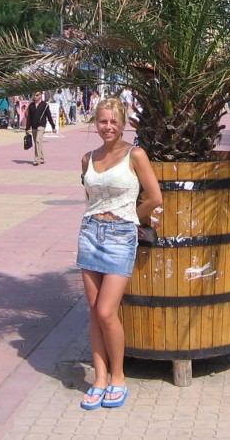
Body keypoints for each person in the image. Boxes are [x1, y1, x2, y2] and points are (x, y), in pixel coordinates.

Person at [78, 98, 162, 410]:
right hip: (89, 234)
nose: (108, 127)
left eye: (113, 121)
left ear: (123, 122)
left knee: (105, 311)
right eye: (102, 122)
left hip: (120, 236)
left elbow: (155, 197)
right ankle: (99, 379)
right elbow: (89, 198)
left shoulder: (135, 154)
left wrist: (128, 215)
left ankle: (118, 376)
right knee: (92, 309)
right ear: (95, 123)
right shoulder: (87, 158)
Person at [25, 92, 56, 166]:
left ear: (40, 96)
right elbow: (29, 118)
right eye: (34, 95)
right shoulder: (31, 105)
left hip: (41, 126)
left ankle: (36, 159)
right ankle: (42, 158)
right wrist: (27, 128)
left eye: (37, 95)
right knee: (37, 142)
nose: (35, 96)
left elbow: (49, 116)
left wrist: (53, 127)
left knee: (38, 140)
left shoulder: (44, 105)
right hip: (34, 126)